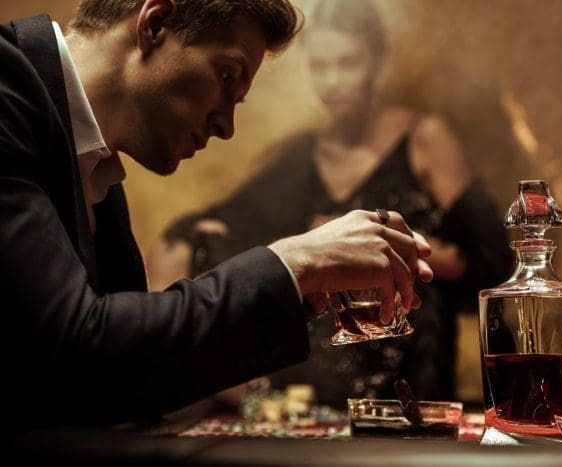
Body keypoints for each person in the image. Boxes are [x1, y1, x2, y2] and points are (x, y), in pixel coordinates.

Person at [0, 0, 434, 436]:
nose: (227, 126)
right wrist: (296, 263)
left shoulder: (96, 167)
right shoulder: (6, 87)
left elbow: (122, 380)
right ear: (155, 23)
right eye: (227, 75)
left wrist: (299, 285)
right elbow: (75, 355)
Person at [148, 0, 511, 407]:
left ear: (377, 61)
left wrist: (370, 239)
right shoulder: (300, 156)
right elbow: (224, 225)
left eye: (347, 63)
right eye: (320, 67)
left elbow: (492, 260)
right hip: (314, 384)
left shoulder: (424, 138)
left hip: (409, 373)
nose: (333, 81)